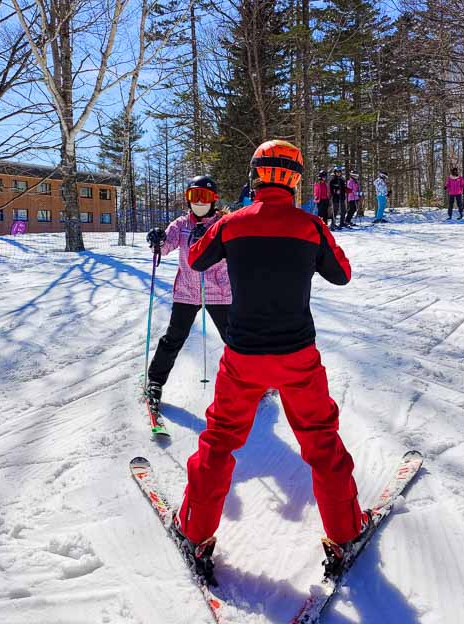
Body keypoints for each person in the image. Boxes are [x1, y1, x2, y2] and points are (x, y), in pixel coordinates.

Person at [172, 139, 368, 583]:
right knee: (321, 441)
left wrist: (225, 223)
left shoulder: (231, 224)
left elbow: (199, 260)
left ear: (256, 174)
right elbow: (342, 273)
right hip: (298, 354)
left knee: (220, 440)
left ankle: (195, 530)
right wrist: (315, 234)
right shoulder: (310, 226)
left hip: (243, 356)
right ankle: (344, 531)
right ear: (296, 178)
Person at [144, 176, 232, 419]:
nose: (200, 203)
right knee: (174, 337)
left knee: (235, 339)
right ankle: (155, 381)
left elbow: (235, 248)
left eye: (205, 197)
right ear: (188, 199)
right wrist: (157, 240)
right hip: (187, 290)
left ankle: (255, 381)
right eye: (195, 196)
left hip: (219, 291)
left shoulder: (224, 223)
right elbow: (165, 247)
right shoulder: (181, 224)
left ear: (214, 200)